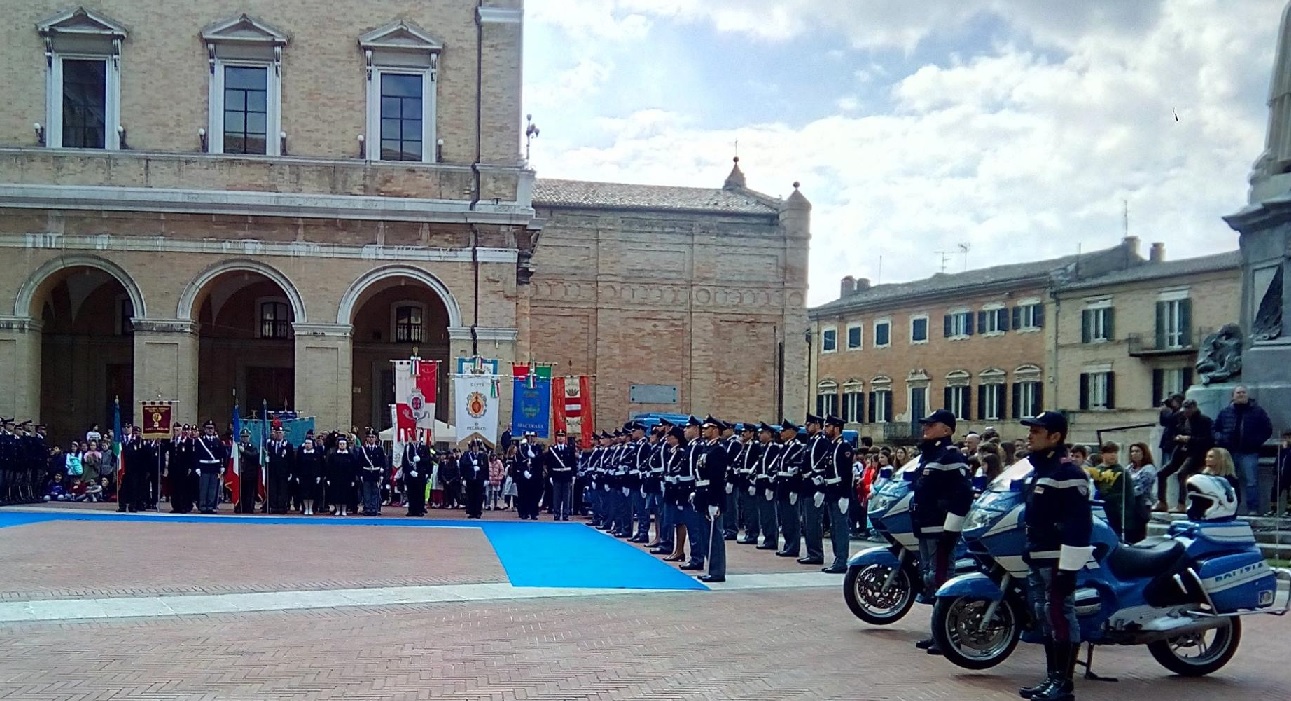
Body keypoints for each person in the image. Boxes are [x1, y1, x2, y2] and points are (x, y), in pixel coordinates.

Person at [1017, 411, 1093, 701]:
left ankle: (1064, 684)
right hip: (1038, 554)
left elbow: (1079, 525)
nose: (1030, 435)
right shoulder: (1043, 469)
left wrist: (1067, 570)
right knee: (1046, 616)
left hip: (1057, 558)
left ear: (1055, 436)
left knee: (1061, 616)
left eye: (1037, 430)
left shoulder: (1068, 472)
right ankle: (1052, 678)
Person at [910, 409, 973, 654]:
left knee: (943, 579)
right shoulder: (931, 455)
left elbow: (963, 494)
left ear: (946, 430)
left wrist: (951, 528)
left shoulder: (951, 456)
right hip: (925, 526)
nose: (925, 428)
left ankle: (949, 634)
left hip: (940, 527)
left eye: (931, 425)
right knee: (931, 579)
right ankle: (938, 632)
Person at [1212, 386, 1273, 514]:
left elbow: (1267, 429)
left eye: (1243, 392)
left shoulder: (1257, 411)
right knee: (1229, 481)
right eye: (1238, 393)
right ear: (1233, 396)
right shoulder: (1225, 412)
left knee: (1251, 482)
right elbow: (1214, 429)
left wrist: (1256, 441)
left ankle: (1252, 509)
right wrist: (1221, 438)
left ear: (1247, 395)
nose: (1241, 395)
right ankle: (1229, 508)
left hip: (1249, 452)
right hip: (1229, 452)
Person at [1156, 399, 1214, 513]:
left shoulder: (1205, 421)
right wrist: (1176, 438)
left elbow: (1208, 440)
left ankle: (1181, 504)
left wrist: (1190, 439)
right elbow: (1169, 427)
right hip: (1181, 449)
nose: (1186, 412)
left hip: (1196, 452)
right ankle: (1161, 502)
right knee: (1162, 473)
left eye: (1189, 409)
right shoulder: (1180, 417)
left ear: (1195, 408)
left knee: (1182, 473)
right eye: (1185, 409)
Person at [691, 416, 730, 583]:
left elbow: (717, 478)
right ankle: (710, 568)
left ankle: (717, 571)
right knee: (705, 535)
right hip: (702, 494)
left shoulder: (718, 450)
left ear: (715, 430)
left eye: (707, 427)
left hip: (712, 496)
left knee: (715, 536)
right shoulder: (706, 449)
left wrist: (714, 502)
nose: (703, 430)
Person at [819, 415, 855, 574]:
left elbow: (847, 473)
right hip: (831, 491)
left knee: (840, 528)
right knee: (834, 528)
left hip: (840, 492)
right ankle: (837, 559)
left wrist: (845, 495)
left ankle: (842, 560)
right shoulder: (831, 446)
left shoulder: (844, 446)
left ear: (837, 428)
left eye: (828, 426)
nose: (826, 429)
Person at [773, 419, 806, 558]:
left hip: (791, 485)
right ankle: (788, 544)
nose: (781, 433)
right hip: (782, 485)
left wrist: (794, 489)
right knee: (785, 519)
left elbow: (797, 470)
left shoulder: (797, 447)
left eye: (784, 430)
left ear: (792, 432)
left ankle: (793, 546)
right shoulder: (785, 447)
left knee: (792, 519)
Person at [1185, 448, 1240, 522]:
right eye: (1206, 457)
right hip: (1202, 516)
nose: (1206, 459)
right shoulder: (1202, 477)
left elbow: (1234, 501)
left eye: (1211, 457)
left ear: (1221, 459)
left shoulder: (1230, 480)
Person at [1087, 442, 1127, 537]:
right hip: (1098, 508)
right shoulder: (1096, 470)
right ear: (1103, 454)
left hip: (1117, 510)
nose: (1113, 455)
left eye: (1115, 452)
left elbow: (1127, 494)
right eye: (1109, 452)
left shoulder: (1121, 471)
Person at [753, 422, 781, 550]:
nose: (759, 435)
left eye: (762, 433)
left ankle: (771, 539)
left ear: (769, 434)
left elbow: (773, 468)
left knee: (769, 514)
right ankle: (767, 537)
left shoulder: (774, 448)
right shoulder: (764, 448)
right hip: (760, 484)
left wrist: (771, 486)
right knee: (764, 514)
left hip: (767, 485)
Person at [194, 420, 226, 514]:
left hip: (214, 467)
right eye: (208, 428)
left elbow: (222, 455)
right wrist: (197, 467)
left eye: (211, 428)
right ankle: (203, 506)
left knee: (213, 488)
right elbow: (196, 455)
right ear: (205, 429)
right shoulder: (200, 441)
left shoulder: (218, 441)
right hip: (204, 467)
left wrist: (222, 466)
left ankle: (211, 506)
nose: (210, 430)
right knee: (204, 488)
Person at [546, 429, 577, 520]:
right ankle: (557, 513)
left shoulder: (569, 449)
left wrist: (574, 475)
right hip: (556, 474)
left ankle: (565, 514)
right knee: (556, 496)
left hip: (567, 475)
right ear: (556, 438)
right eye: (559, 436)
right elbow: (549, 464)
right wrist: (550, 475)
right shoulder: (552, 450)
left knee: (566, 496)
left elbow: (573, 463)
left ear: (564, 438)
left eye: (562, 436)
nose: (560, 438)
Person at [264, 424, 295, 515]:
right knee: (273, 490)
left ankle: (282, 507)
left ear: (283, 434)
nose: (279, 435)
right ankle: (273, 507)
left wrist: (290, 472)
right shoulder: (270, 444)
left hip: (283, 472)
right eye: (277, 433)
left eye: (280, 433)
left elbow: (291, 460)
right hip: (273, 472)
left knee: (283, 491)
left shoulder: (288, 445)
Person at [402, 432, 431, 517]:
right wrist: (409, 471)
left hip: (420, 474)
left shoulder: (424, 447)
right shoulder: (408, 447)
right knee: (411, 493)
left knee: (420, 493)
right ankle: (411, 510)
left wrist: (420, 459)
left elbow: (428, 460)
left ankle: (419, 510)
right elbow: (405, 461)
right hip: (411, 474)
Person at [326, 436, 357, 516]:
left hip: (346, 479)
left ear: (346, 445)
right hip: (335, 478)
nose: (342, 445)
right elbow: (329, 468)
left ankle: (344, 510)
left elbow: (353, 468)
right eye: (340, 444)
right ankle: (338, 509)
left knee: (346, 494)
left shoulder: (350, 456)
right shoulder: (333, 455)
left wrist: (353, 480)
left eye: (343, 444)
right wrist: (328, 478)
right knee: (336, 494)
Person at [358, 430, 386, 516]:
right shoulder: (363, 449)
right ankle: (367, 508)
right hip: (366, 472)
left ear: (376, 439)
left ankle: (374, 508)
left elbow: (383, 462)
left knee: (375, 491)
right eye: (369, 437)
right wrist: (360, 474)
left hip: (376, 473)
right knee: (366, 491)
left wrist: (382, 472)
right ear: (367, 438)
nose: (371, 439)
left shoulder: (380, 449)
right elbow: (360, 462)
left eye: (372, 437)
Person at [296, 436, 324, 516]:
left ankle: (311, 508)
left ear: (312, 444)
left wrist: (319, 476)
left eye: (309, 443)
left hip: (313, 477)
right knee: (304, 493)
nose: (307, 445)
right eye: (306, 443)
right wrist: (297, 476)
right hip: (303, 476)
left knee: (312, 493)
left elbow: (320, 465)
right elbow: (297, 465)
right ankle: (306, 508)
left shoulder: (317, 454)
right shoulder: (301, 453)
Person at [459, 440, 487, 519]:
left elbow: (486, 467)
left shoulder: (483, 455)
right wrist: (464, 476)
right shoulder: (467, 455)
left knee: (479, 496)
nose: (475, 448)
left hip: (479, 478)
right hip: (470, 478)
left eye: (477, 447)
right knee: (470, 496)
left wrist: (486, 478)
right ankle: (471, 511)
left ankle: (478, 512)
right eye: (474, 447)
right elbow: (463, 465)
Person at [236, 429, 260, 514]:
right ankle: (239, 507)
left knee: (249, 492)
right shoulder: (236, 446)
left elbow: (254, 456)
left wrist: (244, 452)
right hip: (240, 473)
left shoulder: (252, 447)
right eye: (243, 437)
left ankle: (249, 508)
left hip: (249, 474)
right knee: (240, 491)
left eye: (246, 436)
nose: (245, 438)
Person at [1270, 429, 1291, 517]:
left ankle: (1289, 510)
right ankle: (1273, 509)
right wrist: (1275, 470)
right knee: (1275, 491)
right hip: (1280, 475)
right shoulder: (1281, 451)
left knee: (1289, 494)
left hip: (1289, 475)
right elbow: (1278, 461)